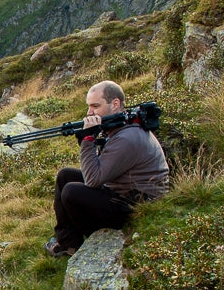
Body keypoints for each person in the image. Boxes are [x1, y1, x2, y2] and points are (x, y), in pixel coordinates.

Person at [44, 80, 169, 257]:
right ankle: (68, 244)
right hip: (121, 190)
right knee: (65, 175)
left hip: (136, 206)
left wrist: (88, 141)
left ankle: (98, 240)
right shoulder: (121, 125)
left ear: (115, 104)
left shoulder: (127, 137)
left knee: (72, 192)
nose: (89, 113)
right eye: (89, 106)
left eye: (95, 106)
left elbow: (93, 179)